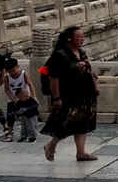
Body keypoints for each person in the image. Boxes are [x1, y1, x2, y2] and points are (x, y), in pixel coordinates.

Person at [41, 26, 100, 162]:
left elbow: (89, 69)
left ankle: (81, 152)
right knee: (66, 123)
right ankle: (50, 146)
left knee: (84, 122)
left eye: (82, 36)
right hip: (69, 95)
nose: (82, 38)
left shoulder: (81, 52)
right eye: (78, 36)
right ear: (69, 38)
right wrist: (56, 98)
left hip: (86, 94)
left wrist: (95, 86)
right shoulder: (60, 55)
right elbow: (53, 78)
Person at [2, 58, 37, 142]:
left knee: (28, 118)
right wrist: (13, 99)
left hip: (25, 99)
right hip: (14, 100)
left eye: (13, 70)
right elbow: (6, 89)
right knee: (10, 116)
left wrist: (34, 96)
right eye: (9, 71)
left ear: (18, 66)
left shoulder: (24, 74)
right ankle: (10, 133)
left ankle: (31, 134)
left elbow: (30, 85)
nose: (12, 73)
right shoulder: (7, 77)